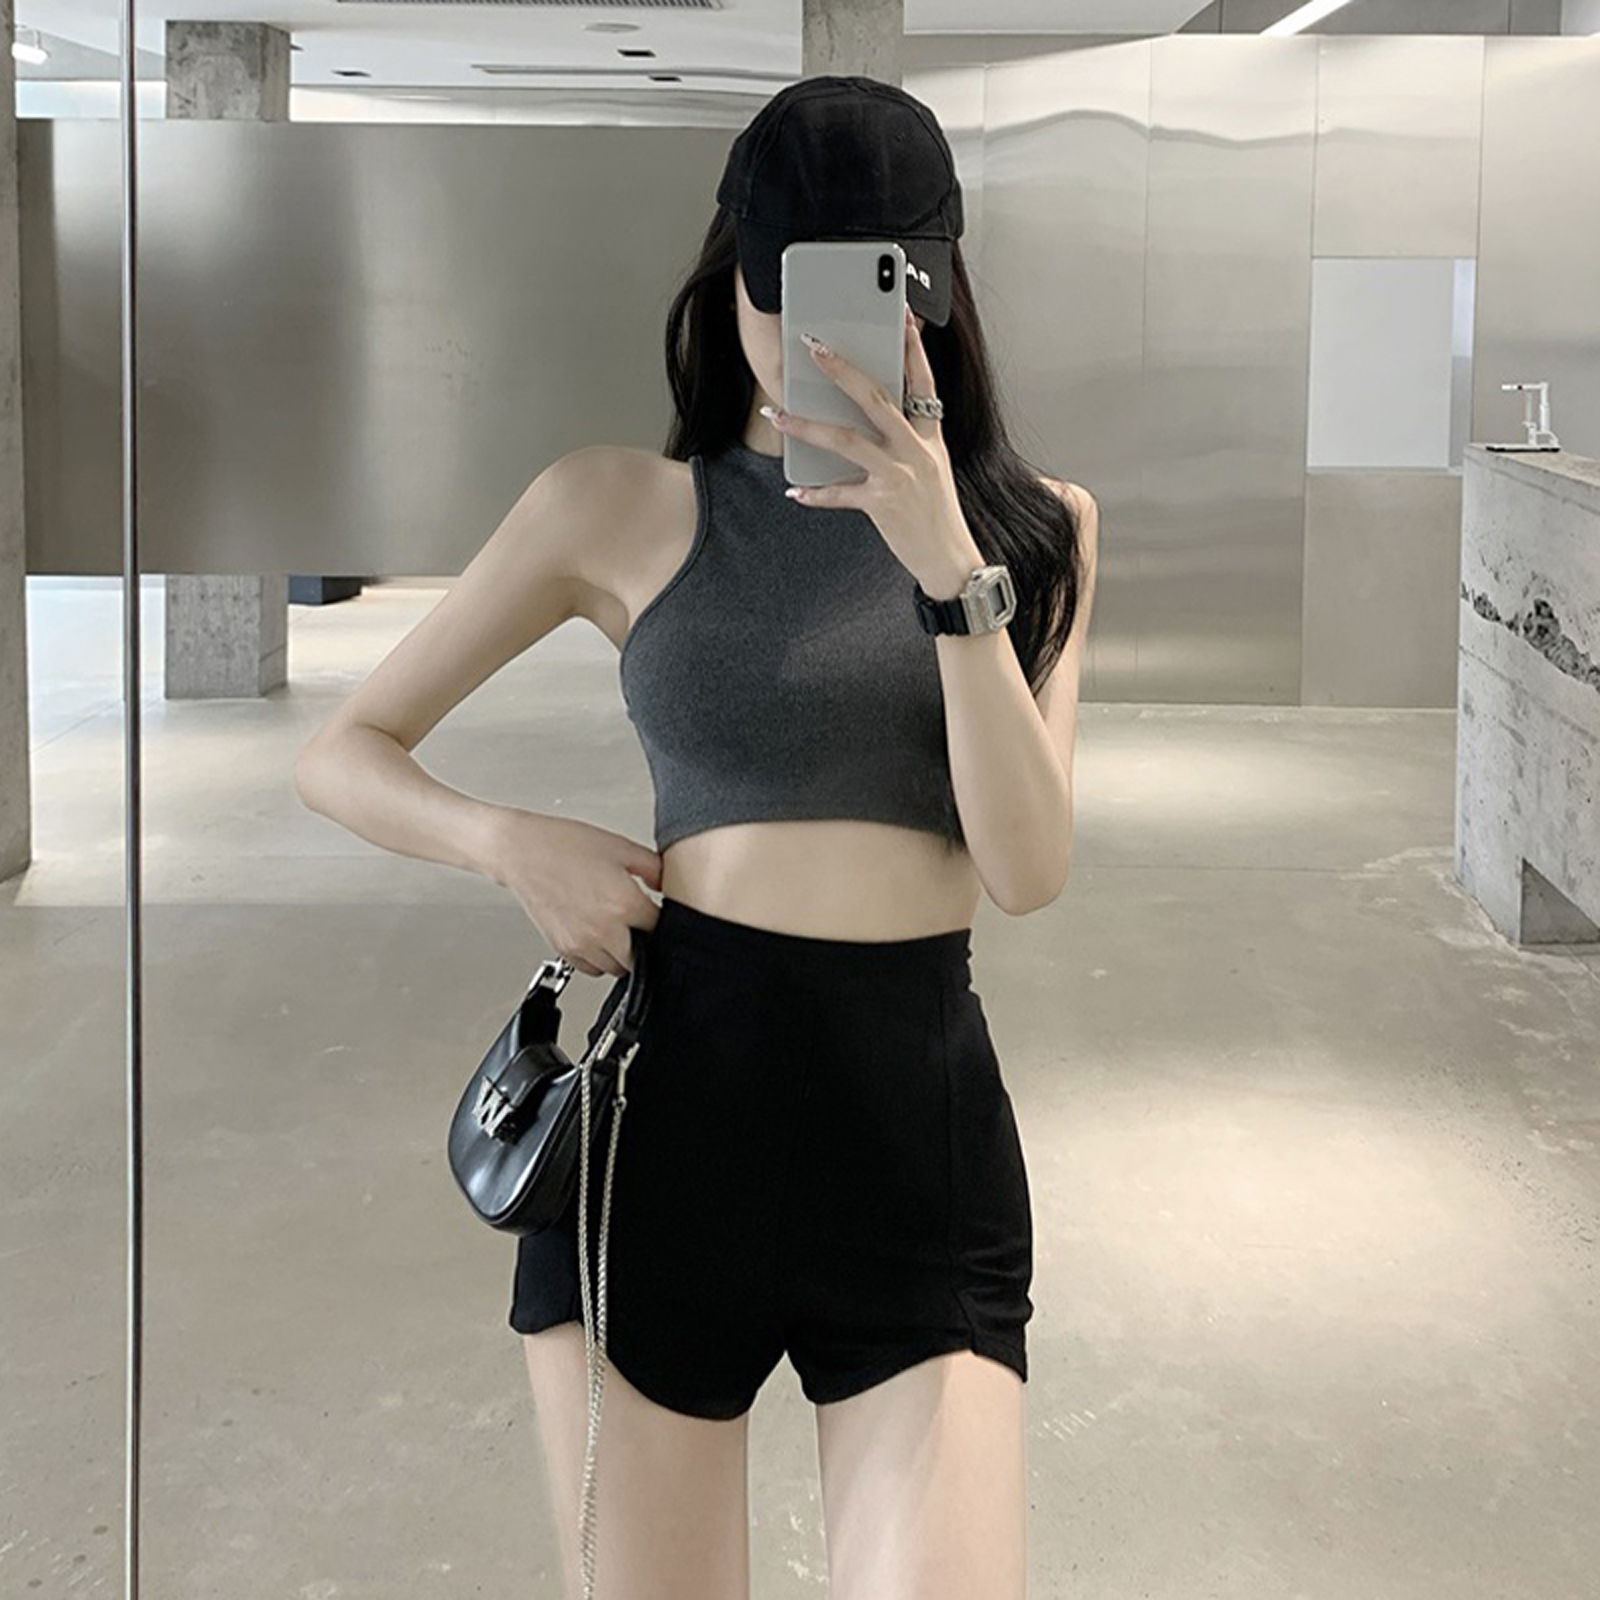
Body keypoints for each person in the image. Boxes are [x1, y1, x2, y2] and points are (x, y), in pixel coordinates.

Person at [295, 72, 1098, 1600]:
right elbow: (342, 753)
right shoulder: (617, 506)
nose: (814, 340)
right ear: (730, 270)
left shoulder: (1035, 528)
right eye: (783, 291)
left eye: (869, 293)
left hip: (912, 1127)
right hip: (670, 1121)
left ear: (933, 293)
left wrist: (946, 564)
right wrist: (507, 842)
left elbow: (1026, 866)